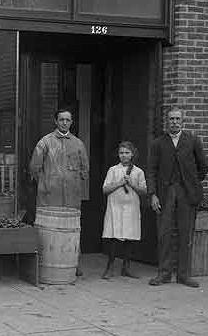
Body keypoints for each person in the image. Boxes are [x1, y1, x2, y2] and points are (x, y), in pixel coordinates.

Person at [147, 107, 208, 287]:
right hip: (165, 194)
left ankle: (184, 275)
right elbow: (151, 170)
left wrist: (192, 182)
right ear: (167, 122)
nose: (174, 122)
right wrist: (153, 195)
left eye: (177, 119)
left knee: (185, 233)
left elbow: (203, 166)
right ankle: (164, 274)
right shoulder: (158, 143)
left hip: (186, 193)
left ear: (183, 121)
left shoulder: (192, 140)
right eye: (171, 119)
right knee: (164, 234)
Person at [29, 108, 89, 277]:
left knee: (71, 229)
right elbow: (34, 167)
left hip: (71, 195)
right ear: (55, 121)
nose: (64, 123)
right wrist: (45, 183)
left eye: (68, 120)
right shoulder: (45, 142)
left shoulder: (78, 143)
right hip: (49, 195)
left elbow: (85, 169)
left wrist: (74, 182)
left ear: (71, 122)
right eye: (61, 119)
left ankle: (73, 263)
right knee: (48, 229)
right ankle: (44, 263)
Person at [101, 141, 147, 279]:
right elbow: (105, 189)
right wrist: (120, 183)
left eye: (127, 153)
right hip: (115, 207)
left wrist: (132, 184)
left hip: (131, 207)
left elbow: (144, 191)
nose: (124, 155)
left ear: (132, 154)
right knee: (115, 237)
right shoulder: (113, 170)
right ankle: (110, 267)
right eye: (121, 153)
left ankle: (126, 267)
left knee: (130, 237)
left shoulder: (138, 172)